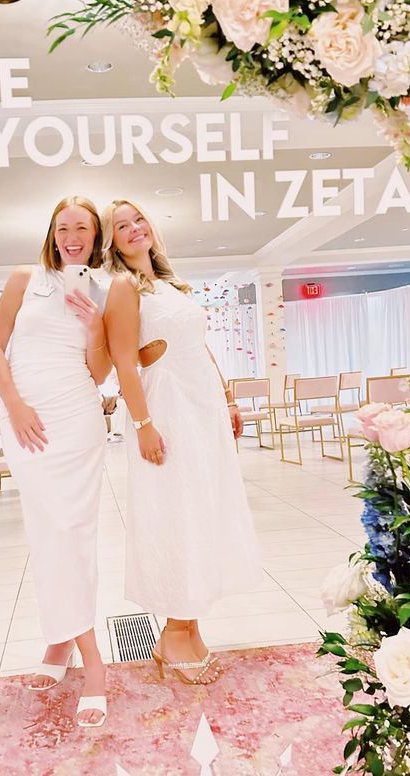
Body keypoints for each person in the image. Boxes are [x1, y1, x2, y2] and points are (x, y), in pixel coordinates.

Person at [102, 199, 262, 684]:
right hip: (167, 410)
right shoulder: (124, 288)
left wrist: (228, 397)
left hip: (202, 409)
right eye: (120, 226)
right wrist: (143, 423)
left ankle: (188, 626)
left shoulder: (169, 284)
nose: (133, 229)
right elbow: (124, 361)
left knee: (202, 511)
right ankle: (172, 633)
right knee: (176, 513)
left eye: (138, 219)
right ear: (110, 240)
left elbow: (200, 347)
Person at [0, 196, 111, 727]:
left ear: (96, 234)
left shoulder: (103, 290)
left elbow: (100, 372)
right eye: (63, 228)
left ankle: (78, 654)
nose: (72, 236)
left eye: (82, 227)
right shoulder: (25, 278)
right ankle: (74, 649)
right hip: (25, 422)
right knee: (48, 530)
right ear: (53, 233)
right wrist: (14, 404)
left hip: (78, 419)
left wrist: (96, 325)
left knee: (70, 531)